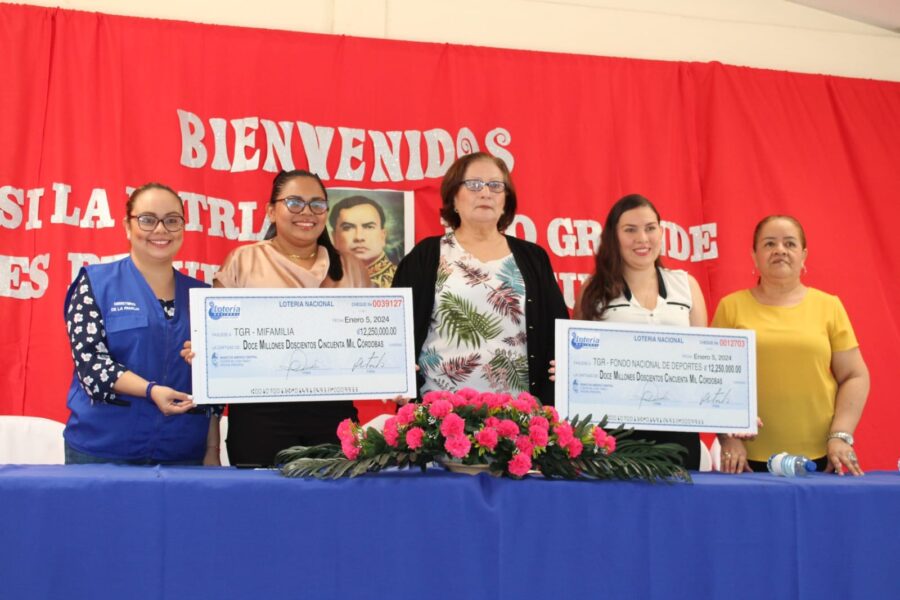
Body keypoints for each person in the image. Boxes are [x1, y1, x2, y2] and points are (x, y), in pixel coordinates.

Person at [213, 169, 371, 467]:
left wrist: (392, 357)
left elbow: (370, 336)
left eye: (317, 204)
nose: (307, 212)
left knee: (332, 509)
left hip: (332, 414)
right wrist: (208, 351)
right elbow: (220, 339)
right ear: (272, 211)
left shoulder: (352, 267)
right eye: (294, 203)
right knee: (263, 507)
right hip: (261, 416)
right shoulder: (244, 261)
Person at [393, 152, 568, 404]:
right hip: (438, 416)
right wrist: (398, 379)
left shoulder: (533, 258)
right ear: (453, 198)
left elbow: (557, 332)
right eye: (474, 184)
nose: (486, 193)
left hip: (519, 418)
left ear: (506, 200)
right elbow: (397, 332)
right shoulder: (426, 255)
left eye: (496, 186)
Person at [63, 183, 219, 465]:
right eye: (147, 219)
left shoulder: (202, 297)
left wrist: (212, 451)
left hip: (182, 454)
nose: (161, 230)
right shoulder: (96, 283)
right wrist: (150, 391)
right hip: (102, 451)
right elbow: (92, 366)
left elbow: (214, 392)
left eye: (172, 220)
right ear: (127, 226)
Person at [712, 215, 869, 475]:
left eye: (790, 244)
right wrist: (729, 438)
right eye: (769, 244)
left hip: (821, 456)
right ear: (754, 255)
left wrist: (840, 435)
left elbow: (855, 375)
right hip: (746, 460)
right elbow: (714, 380)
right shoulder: (731, 307)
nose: (780, 250)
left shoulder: (828, 306)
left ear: (804, 255)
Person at [573, 194, 708, 470]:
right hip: (615, 431)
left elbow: (704, 360)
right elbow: (578, 358)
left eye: (650, 228)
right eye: (630, 230)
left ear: (661, 231)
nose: (642, 238)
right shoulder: (594, 290)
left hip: (678, 427)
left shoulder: (686, 285)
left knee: (679, 507)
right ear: (613, 237)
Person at [329, 195, 397, 287]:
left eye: (369, 227)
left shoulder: (401, 278)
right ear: (334, 237)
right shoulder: (323, 279)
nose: (359, 237)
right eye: (347, 228)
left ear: (383, 236)